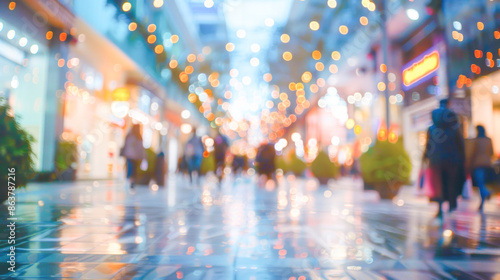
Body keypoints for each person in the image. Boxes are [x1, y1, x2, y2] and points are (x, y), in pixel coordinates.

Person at [423, 98, 465, 218]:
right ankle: (452, 205)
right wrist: (463, 159)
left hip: (436, 159)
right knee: (452, 182)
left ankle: (440, 208)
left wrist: (426, 157)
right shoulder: (454, 127)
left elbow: (428, 145)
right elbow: (460, 144)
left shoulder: (432, 128)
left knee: (439, 184)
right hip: (453, 159)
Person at [470, 125, 494, 211]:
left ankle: (487, 192)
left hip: (478, 163)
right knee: (482, 183)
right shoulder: (488, 140)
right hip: (487, 163)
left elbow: (472, 153)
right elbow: (491, 152)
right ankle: (482, 203)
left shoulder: (476, 141)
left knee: (480, 183)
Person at [120, 124, 146, 188]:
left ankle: (128, 182)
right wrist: (143, 156)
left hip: (129, 156)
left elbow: (126, 145)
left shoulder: (129, 135)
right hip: (136, 157)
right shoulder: (138, 136)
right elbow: (140, 148)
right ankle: (132, 182)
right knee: (133, 170)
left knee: (129, 169)